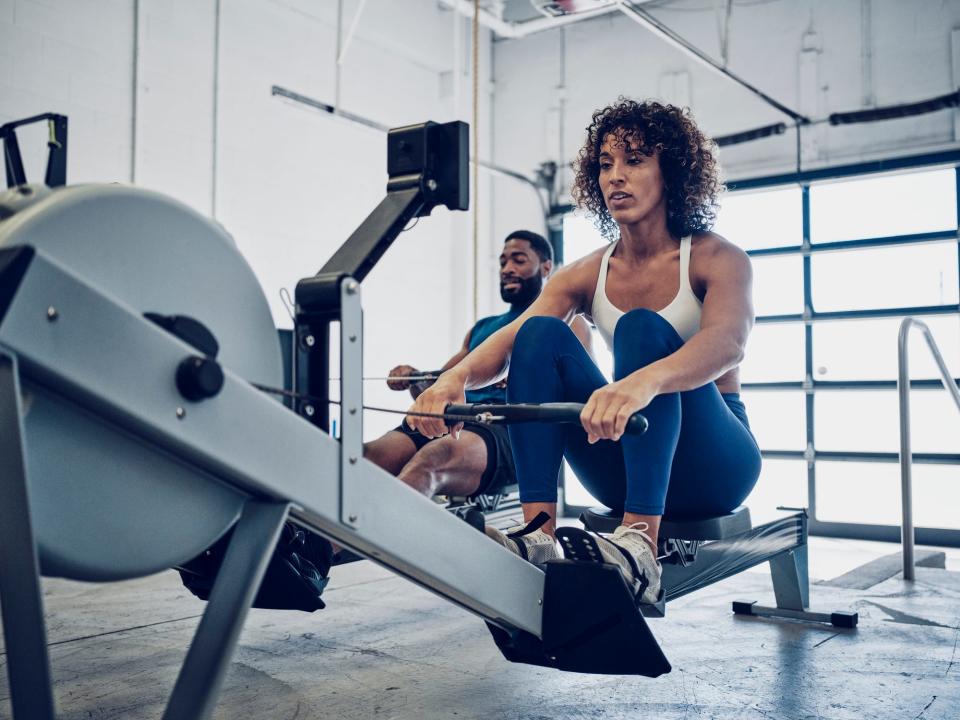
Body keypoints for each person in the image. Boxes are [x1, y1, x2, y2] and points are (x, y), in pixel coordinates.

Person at [407, 98, 762, 603]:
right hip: (625, 464)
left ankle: (640, 547)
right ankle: (539, 536)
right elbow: (507, 343)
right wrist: (453, 379)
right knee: (539, 335)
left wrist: (646, 380)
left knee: (643, 329)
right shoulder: (585, 272)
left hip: (715, 465)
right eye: (605, 164)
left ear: (672, 172)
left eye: (635, 160)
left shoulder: (715, 257)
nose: (616, 176)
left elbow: (728, 342)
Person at [364, 230, 592, 501]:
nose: (507, 269)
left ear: (545, 268)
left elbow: (580, 390)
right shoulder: (482, 329)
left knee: (430, 461)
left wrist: (528, 378)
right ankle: (326, 542)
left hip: (508, 430)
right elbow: (440, 387)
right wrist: (414, 378)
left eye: (518, 260)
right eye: (503, 262)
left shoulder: (567, 322)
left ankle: (370, 541)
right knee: (366, 457)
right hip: (456, 419)